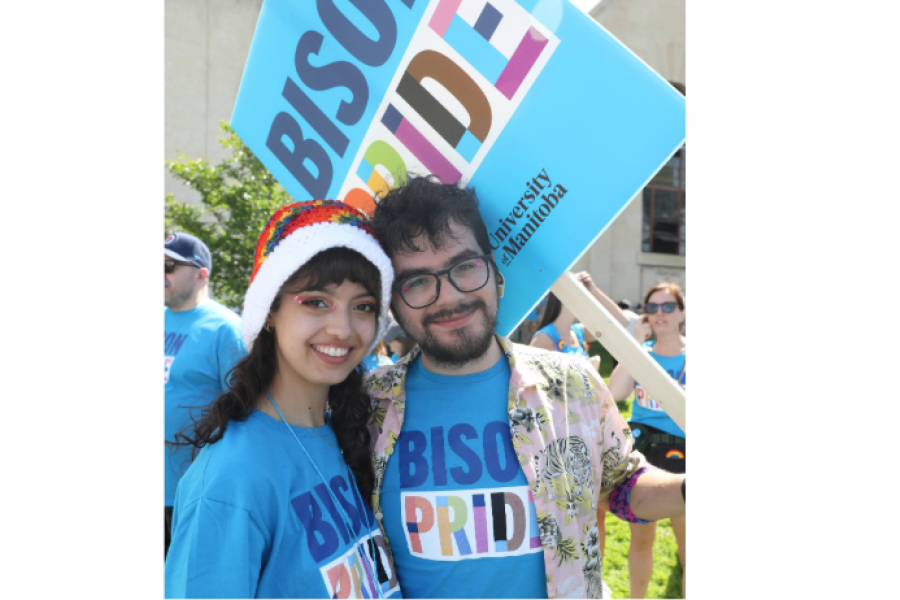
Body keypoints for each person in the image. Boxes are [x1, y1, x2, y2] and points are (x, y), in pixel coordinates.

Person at [365, 176, 685, 599]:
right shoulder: (367, 405)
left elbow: (622, 488)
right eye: (418, 282)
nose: (449, 297)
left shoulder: (571, 383)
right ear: (392, 301)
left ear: (494, 270)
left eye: (465, 267)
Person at [165, 200, 402, 599]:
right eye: (316, 301)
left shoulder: (348, 435)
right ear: (270, 310)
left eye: (363, 306)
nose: (342, 328)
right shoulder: (230, 482)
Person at [164, 232, 246, 558]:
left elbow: (243, 410)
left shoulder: (226, 328)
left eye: (169, 266)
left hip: (190, 493)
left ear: (201, 274)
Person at [607, 282, 686, 598]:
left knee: (687, 545)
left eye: (668, 306)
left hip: (683, 450)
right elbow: (615, 393)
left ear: (682, 313)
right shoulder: (641, 354)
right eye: (652, 307)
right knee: (641, 539)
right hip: (643, 451)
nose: (659, 313)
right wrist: (634, 345)